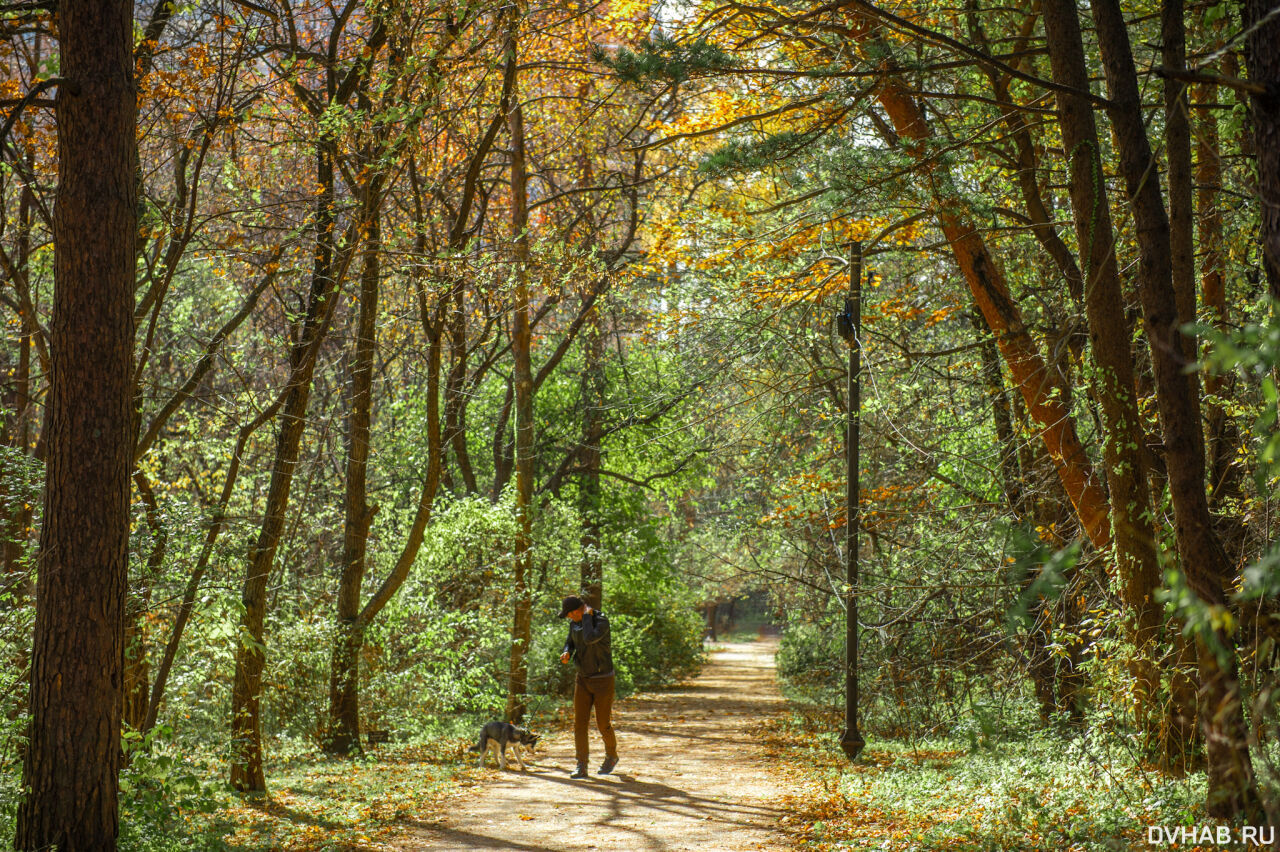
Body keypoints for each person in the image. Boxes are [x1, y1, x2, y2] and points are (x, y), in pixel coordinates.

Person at [558, 594, 618, 778]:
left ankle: (611, 756)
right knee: (579, 724)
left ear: (578, 610)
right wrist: (567, 652)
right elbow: (571, 641)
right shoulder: (574, 622)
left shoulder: (601, 620)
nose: (568, 618)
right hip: (583, 679)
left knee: (603, 724)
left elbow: (590, 638)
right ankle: (581, 764)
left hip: (603, 679)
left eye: (569, 614)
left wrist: (586, 616)